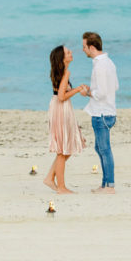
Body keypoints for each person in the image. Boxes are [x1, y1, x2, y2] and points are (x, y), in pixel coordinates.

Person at [44, 45, 88, 194]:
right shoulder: (65, 73)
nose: (71, 53)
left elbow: (60, 94)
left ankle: (50, 177)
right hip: (61, 109)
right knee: (63, 149)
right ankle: (61, 187)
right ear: (62, 59)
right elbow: (62, 96)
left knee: (67, 147)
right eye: (68, 52)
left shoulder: (62, 72)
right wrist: (78, 89)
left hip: (60, 108)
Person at [79, 31, 119, 194]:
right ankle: (105, 184)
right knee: (100, 148)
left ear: (92, 47)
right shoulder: (108, 62)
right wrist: (92, 90)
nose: (83, 50)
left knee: (104, 149)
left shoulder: (101, 65)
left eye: (84, 47)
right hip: (106, 111)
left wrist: (87, 93)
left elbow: (102, 93)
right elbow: (114, 86)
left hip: (102, 113)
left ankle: (109, 186)